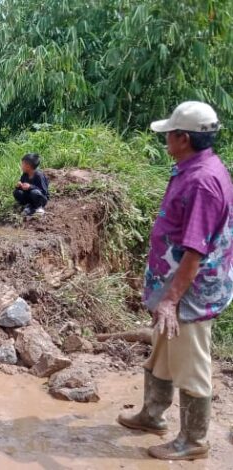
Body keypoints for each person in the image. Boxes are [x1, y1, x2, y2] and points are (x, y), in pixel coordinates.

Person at [117, 101, 232, 461]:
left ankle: (194, 440)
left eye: (170, 132)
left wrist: (170, 299)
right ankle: (152, 415)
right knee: (162, 349)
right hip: (173, 284)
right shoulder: (192, 167)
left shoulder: (203, 182)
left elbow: (195, 252)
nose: (165, 137)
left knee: (191, 362)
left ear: (183, 137)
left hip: (189, 292)